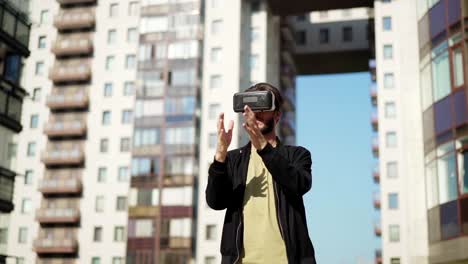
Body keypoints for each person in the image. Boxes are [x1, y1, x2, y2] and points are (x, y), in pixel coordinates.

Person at [205, 83, 316, 264]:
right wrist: (220, 157)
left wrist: (263, 147)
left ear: (277, 115)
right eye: (251, 107)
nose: (256, 113)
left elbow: (299, 184)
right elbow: (215, 202)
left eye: (262, 106)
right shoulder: (233, 159)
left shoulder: (297, 155)